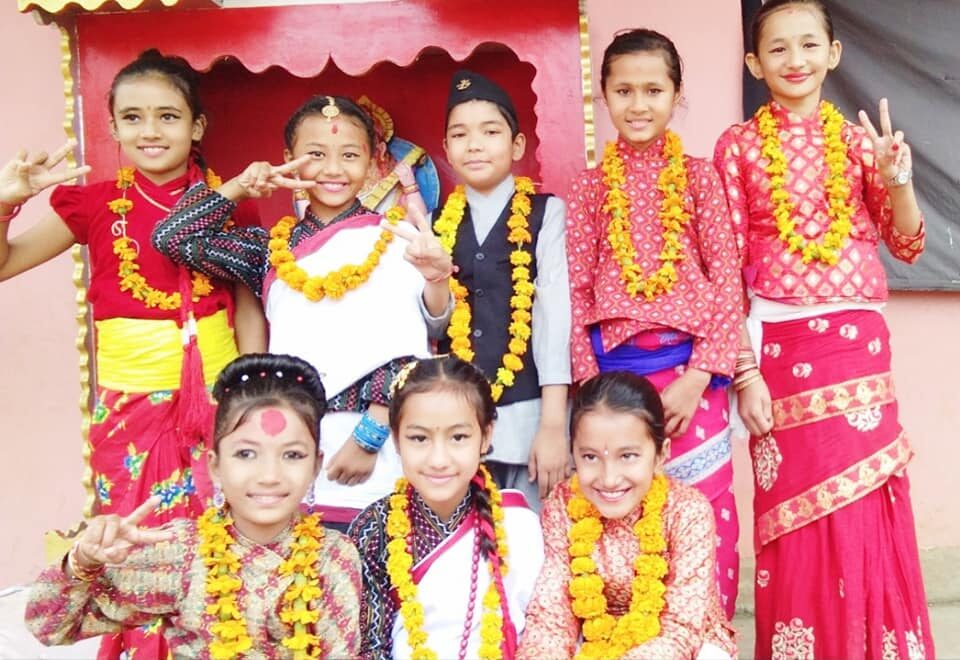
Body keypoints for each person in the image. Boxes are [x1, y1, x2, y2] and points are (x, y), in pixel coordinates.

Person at [0, 49, 265, 657]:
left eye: (168, 116)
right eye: (133, 117)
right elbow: (5, 263)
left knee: (216, 539)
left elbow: (248, 306)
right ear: (114, 127)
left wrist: (250, 395)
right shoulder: (93, 204)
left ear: (197, 126)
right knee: (132, 542)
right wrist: (6, 202)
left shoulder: (231, 202)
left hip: (218, 406)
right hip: (128, 417)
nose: (151, 130)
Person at [713, 1, 932, 656]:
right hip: (778, 353)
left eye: (809, 45)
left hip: (858, 348)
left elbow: (908, 243)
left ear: (833, 53)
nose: (795, 60)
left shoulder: (863, 145)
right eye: (777, 48)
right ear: (754, 63)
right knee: (796, 516)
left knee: (865, 502)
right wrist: (744, 374)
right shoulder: (738, 147)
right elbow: (725, 269)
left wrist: (897, 179)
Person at [152, 94, 453, 530]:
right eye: (315, 155)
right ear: (288, 159)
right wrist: (242, 186)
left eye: (349, 155)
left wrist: (369, 436)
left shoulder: (398, 238)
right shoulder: (268, 251)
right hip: (293, 443)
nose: (333, 169)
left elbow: (422, 338)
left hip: (383, 434)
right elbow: (173, 238)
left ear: (372, 161)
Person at [566, 29, 742, 616]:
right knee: (623, 518)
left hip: (692, 378)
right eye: (623, 91)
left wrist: (699, 376)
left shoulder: (700, 178)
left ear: (676, 94)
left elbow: (728, 284)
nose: (638, 105)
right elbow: (577, 294)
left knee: (704, 509)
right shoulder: (588, 188)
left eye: (653, 90)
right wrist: (592, 394)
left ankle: (707, 638)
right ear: (604, 97)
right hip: (614, 383)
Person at [25, 353, 361, 658]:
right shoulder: (182, 551)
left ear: (315, 466)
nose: (269, 476)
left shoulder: (333, 556)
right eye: (246, 454)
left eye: (292, 455)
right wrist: (83, 563)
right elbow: (48, 625)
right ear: (215, 466)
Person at [517, 371, 737, 659]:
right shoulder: (562, 506)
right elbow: (551, 616)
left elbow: (681, 628)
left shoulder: (688, 511)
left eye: (628, 456)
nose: (609, 479)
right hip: (593, 640)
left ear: (661, 455)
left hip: (682, 646)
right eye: (590, 457)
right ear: (573, 454)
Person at [431, 69, 571, 510]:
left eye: (490, 132)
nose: (474, 144)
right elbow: (432, 325)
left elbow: (553, 319)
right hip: (456, 418)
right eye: (460, 135)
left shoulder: (546, 213)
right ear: (446, 149)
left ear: (517, 145)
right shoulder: (435, 225)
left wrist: (553, 425)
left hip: (530, 414)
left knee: (532, 531)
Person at [348, 355, 544, 660]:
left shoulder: (518, 524)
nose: (438, 459)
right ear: (396, 440)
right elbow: (369, 647)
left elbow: (542, 633)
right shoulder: (374, 528)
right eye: (419, 438)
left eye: (458, 437)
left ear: (486, 436)